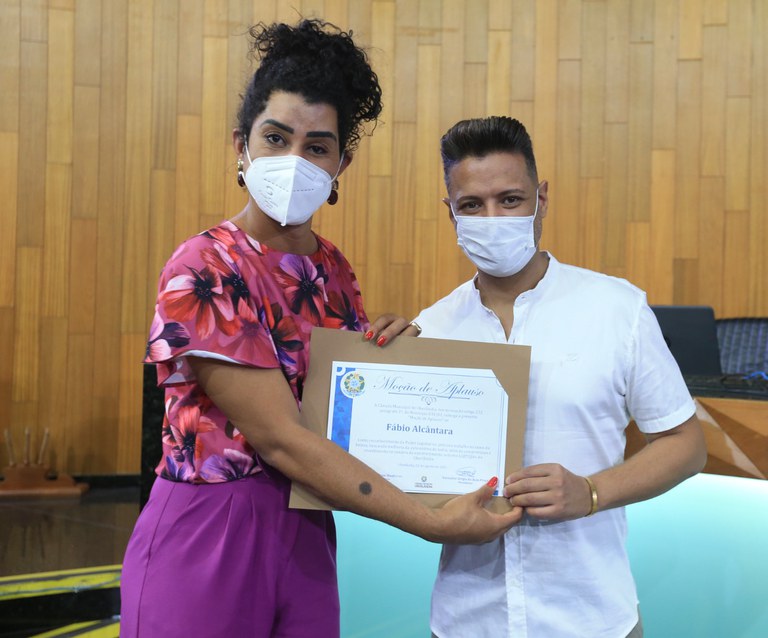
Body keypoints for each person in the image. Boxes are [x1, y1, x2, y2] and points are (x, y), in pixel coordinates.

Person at [119, 21, 520, 638]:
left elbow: (341, 412)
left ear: (341, 164)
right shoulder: (203, 266)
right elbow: (279, 439)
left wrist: (390, 355)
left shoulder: (333, 270)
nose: (293, 160)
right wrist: (430, 520)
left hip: (309, 526)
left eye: (317, 147)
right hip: (212, 529)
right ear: (241, 146)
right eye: (276, 138)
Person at [411, 116, 708, 638]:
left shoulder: (617, 309)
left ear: (541, 199)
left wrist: (590, 492)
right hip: (466, 619)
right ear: (450, 212)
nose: (492, 218)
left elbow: (686, 445)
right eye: (472, 205)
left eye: (510, 199)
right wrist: (375, 358)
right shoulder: (430, 330)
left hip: (594, 618)